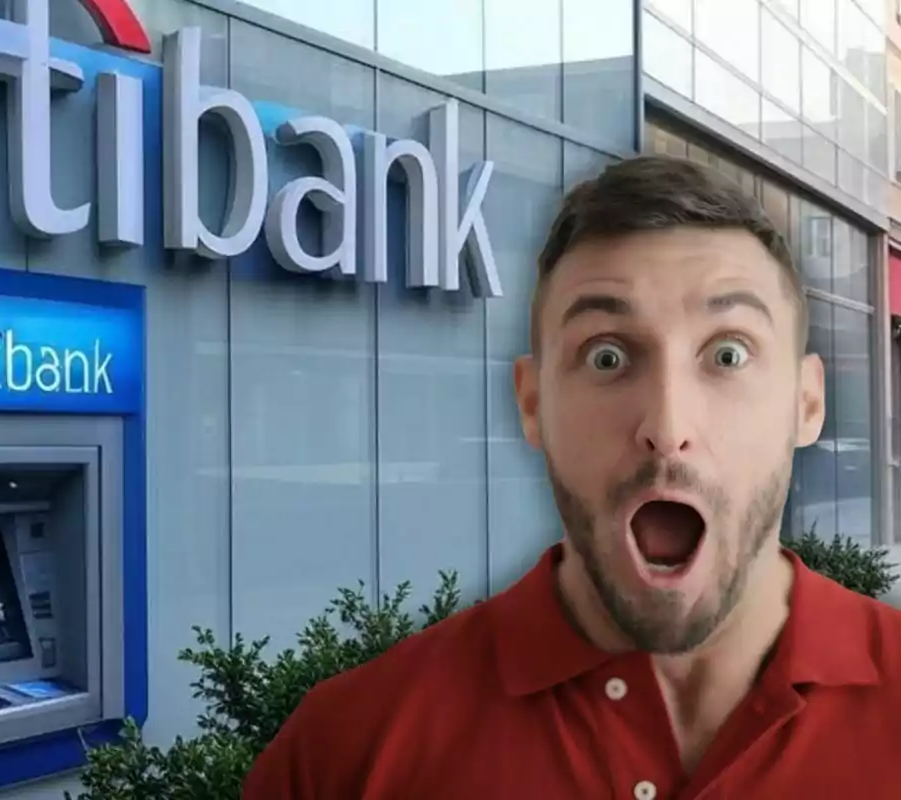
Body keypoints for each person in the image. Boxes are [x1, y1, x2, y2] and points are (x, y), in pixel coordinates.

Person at [241, 155, 901, 799]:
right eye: (607, 355)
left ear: (805, 403)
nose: (666, 426)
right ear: (533, 403)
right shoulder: (342, 754)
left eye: (728, 354)